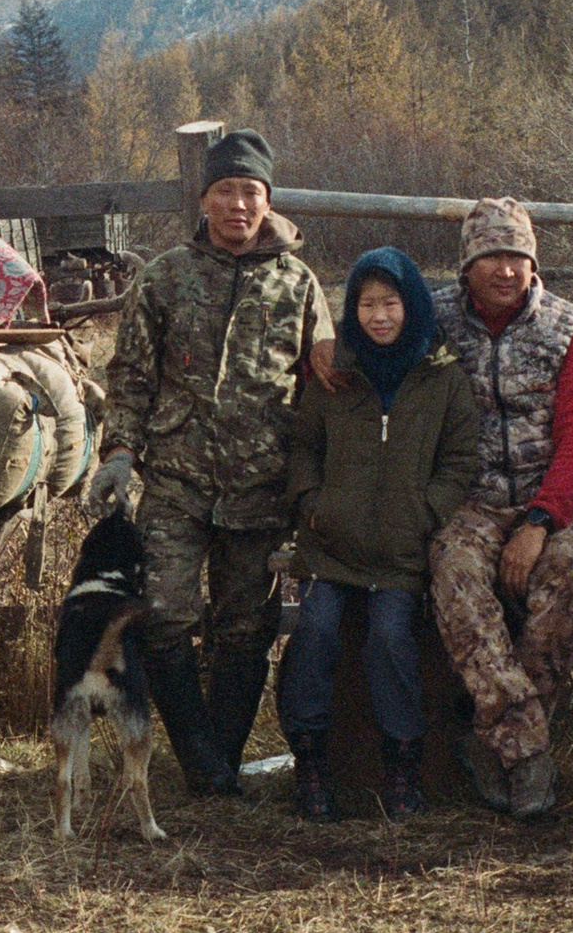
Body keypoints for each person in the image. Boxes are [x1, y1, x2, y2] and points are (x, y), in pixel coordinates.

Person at [98, 130, 335, 796]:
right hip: (175, 477)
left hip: (263, 483)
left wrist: (312, 480)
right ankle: (201, 754)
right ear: (204, 199)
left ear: (268, 200)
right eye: (225, 191)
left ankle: (219, 765)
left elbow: (321, 387)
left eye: (250, 192)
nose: (238, 205)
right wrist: (119, 450)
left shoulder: (297, 281)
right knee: (161, 615)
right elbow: (131, 374)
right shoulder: (165, 275)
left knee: (246, 626)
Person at [278, 247, 479, 822]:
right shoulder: (336, 374)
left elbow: (460, 459)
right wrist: (312, 506)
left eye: (390, 302)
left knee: (391, 637)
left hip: (400, 552)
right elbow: (303, 448)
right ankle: (311, 765)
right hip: (331, 546)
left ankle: (403, 766)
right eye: (366, 304)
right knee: (315, 632)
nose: (379, 316)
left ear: (411, 305)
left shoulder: (440, 378)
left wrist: (427, 512)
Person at [426, 198, 573, 820]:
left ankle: (490, 742)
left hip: (545, 496)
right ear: (468, 265)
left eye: (518, 257)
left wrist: (540, 521)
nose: (506, 270)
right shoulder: (435, 318)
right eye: (492, 257)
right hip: (466, 498)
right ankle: (528, 754)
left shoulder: (567, 326)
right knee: (456, 575)